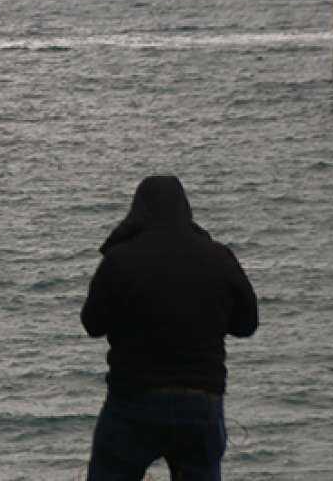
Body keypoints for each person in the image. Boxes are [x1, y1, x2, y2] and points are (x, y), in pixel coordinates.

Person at [81, 175, 257, 481]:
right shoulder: (217, 256)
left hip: (133, 400)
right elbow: (247, 323)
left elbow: (92, 324)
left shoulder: (121, 258)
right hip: (200, 400)